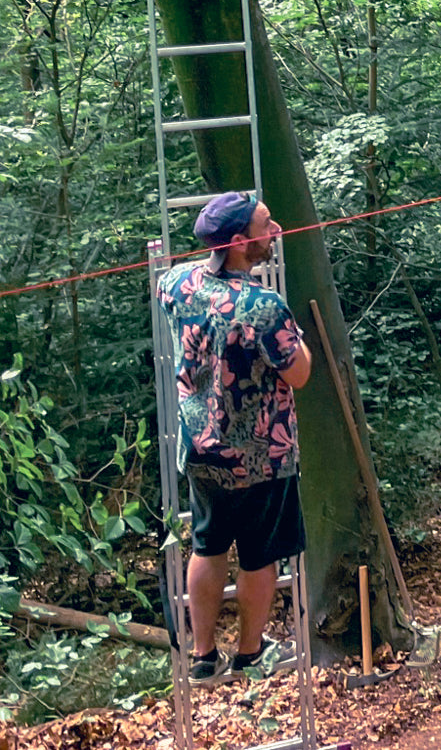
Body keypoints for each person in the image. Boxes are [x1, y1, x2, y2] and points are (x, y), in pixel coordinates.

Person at [156, 191, 312, 684]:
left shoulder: (175, 284)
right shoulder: (264, 307)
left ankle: (203, 656)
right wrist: (297, 337)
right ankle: (249, 653)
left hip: (201, 450)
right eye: (267, 225)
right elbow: (300, 373)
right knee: (260, 555)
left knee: (208, 546)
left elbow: (180, 281)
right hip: (262, 455)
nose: (277, 230)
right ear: (241, 242)